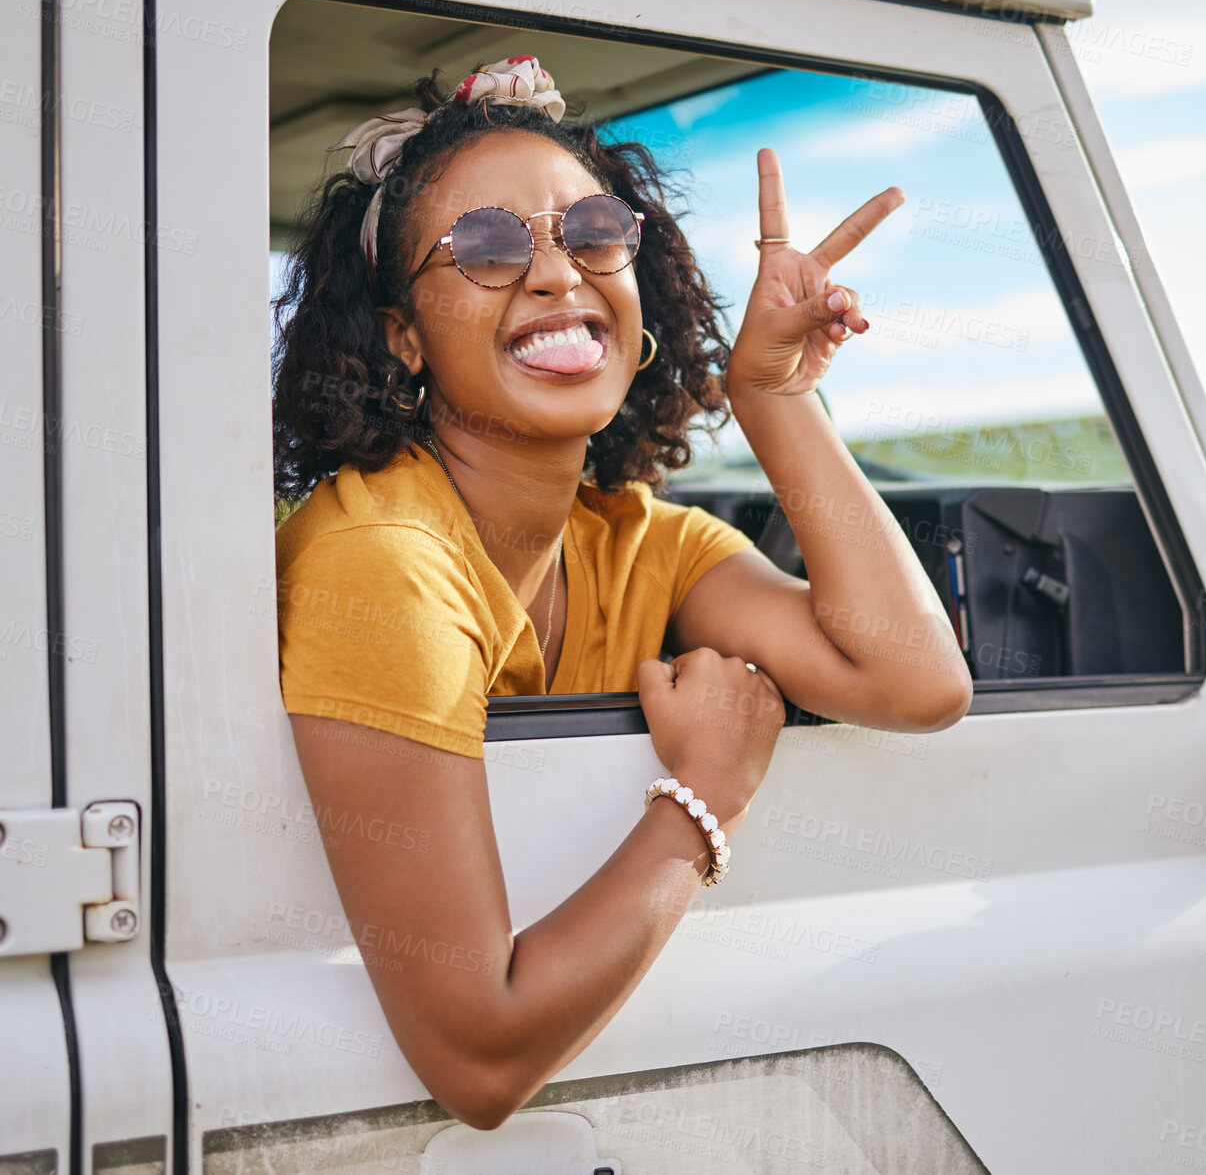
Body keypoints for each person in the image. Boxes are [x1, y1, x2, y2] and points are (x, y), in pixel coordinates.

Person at [269, 56, 972, 1130]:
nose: (556, 275)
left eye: (591, 231)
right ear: (401, 338)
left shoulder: (632, 536)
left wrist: (771, 394)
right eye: (488, 247)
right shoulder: (381, 561)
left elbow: (916, 679)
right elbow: (477, 1060)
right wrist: (704, 799)